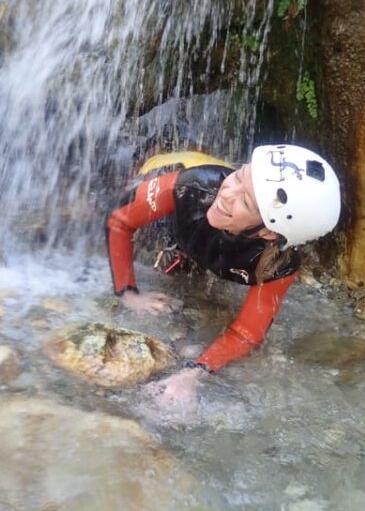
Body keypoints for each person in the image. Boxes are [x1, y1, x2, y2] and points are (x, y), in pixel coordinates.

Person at [105, 144, 341, 408]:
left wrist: (194, 373)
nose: (227, 193)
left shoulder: (278, 264)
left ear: (269, 233)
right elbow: (119, 220)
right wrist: (127, 293)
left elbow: (247, 334)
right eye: (240, 176)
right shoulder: (193, 186)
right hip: (170, 185)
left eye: (245, 202)